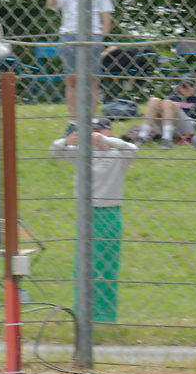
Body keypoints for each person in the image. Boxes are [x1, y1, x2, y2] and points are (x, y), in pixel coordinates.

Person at [50, 117, 137, 323]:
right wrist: (67, 141)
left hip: (109, 213)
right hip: (86, 212)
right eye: (93, 132)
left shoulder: (118, 154)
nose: (97, 136)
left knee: (106, 266)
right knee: (84, 264)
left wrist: (107, 141)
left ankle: (105, 316)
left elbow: (132, 149)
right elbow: (55, 150)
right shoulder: (83, 154)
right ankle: (83, 314)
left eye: (102, 131)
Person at [48, 0, 114, 115]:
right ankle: (74, 119)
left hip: (92, 36)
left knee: (92, 80)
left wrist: (101, 37)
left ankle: (91, 118)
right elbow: (51, 5)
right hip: (70, 35)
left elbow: (106, 17)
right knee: (72, 79)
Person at [139, 74, 196, 146]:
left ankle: (167, 139)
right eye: (184, 86)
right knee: (154, 100)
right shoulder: (172, 98)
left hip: (187, 126)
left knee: (167, 103)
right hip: (166, 124)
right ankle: (142, 136)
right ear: (179, 87)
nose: (187, 88)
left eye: (191, 85)